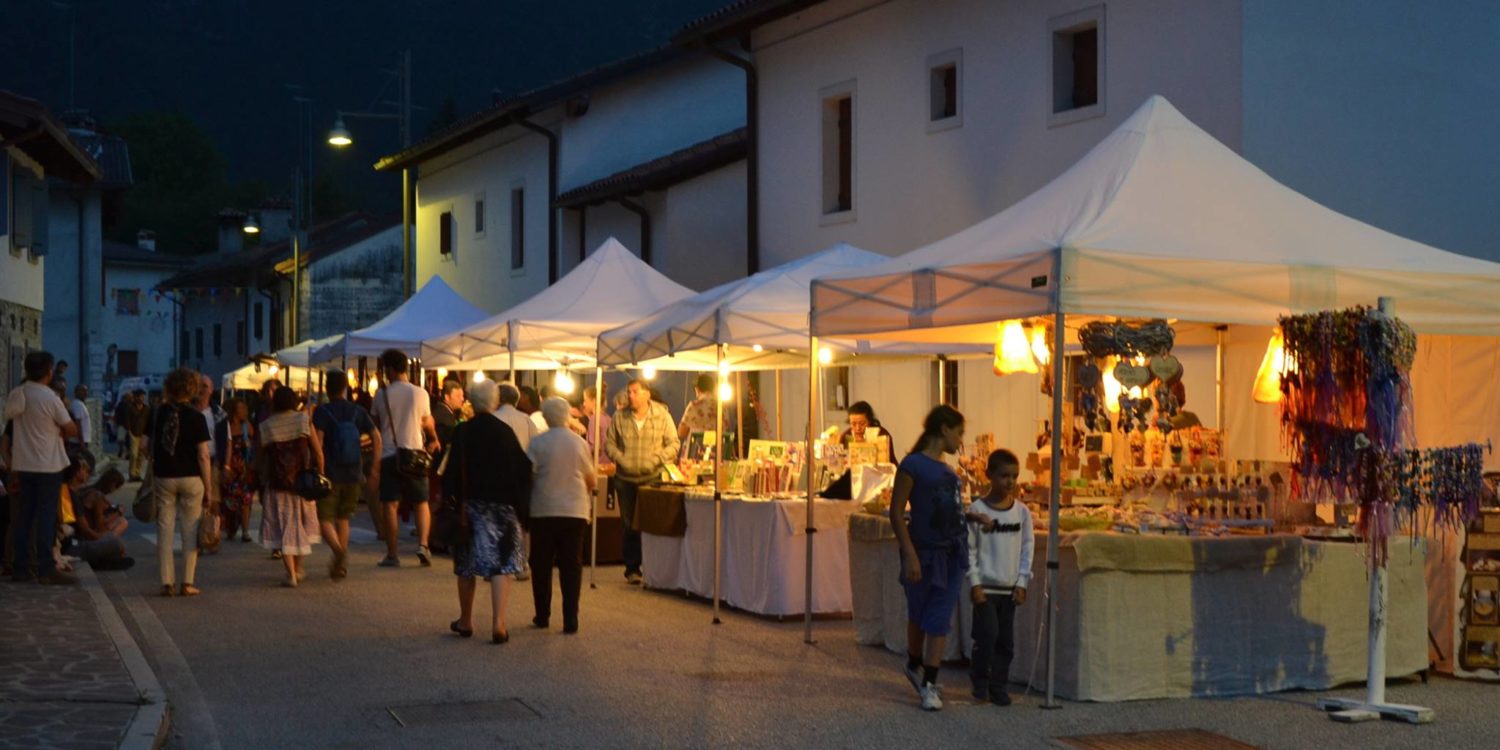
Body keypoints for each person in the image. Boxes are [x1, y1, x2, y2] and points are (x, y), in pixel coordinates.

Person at [889, 404, 967, 711]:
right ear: (944, 429)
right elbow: (897, 511)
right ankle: (915, 661)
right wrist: (909, 553)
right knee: (920, 613)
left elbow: (951, 508)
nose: (961, 440)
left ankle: (930, 682)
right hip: (924, 551)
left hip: (952, 552)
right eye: (959, 432)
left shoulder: (947, 469)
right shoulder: (912, 465)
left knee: (939, 617)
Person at [442, 380, 532, 644]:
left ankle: (466, 620)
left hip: (471, 506)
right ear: (494, 401)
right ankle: (498, 624)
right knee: (502, 565)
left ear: (472, 400)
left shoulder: (463, 432)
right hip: (504, 507)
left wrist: (452, 499)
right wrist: (522, 508)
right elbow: (523, 469)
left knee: (466, 565)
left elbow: (452, 471)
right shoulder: (505, 431)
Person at [3, 351, 80, 585]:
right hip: (48, 465)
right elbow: (72, 429)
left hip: (24, 464)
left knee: (24, 517)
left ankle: (20, 567)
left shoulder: (18, 393)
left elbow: (8, 426)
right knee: (46, 517)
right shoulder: (49, 398)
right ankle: (46, 567)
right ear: (48, 371)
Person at [965, 449, 1033, 706]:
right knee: (987, 635)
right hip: (986, 586)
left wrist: (1022, 582)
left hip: (1009, 587)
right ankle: (980, 681)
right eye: (1004, 475)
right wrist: (974, 582)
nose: (1010, 482)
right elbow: (970, 548)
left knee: (1005, 641)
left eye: (1014, 476)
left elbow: (1027, 547)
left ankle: (999, 686)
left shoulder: (1022, 512)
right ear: (989, 475)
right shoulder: (977, 509)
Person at [528, 397, 594, 634]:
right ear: (567, 416)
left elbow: (530, 476)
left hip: (543, 509)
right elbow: (591, 479)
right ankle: (570, 619)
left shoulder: (537, 443)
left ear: (545, 416)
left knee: (541, 564)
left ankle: (542, 614)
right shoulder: (578, 443)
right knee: (571, 566)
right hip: (574, 511)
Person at [604, 378, 679, 585]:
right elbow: (609, 444)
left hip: (652, 478)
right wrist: (620, 458)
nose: (630, 396)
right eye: (629, 392)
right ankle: (632, 568)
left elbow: (673, 443)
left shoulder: (662, 416)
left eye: (635, 392)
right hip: (625, 479)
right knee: (629, 524)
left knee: (652, 523)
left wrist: (657, 459)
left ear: (647, 394)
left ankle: (654, 568)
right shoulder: (620, 417)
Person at [147, 368, 213, 597]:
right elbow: (203, 455)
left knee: (165, 529)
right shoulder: (197, 416)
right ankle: (187, 582)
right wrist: (210, 488)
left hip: (164, 476)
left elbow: (147, 447)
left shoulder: (156, 414)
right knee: (190, 529)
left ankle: (167, 583)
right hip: (192, 478)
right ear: (192, 388)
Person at [369, 349, 438, 568]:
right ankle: (424, 545)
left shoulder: (381, 395)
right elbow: (428, 422)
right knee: (421, 502)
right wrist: (434, 439)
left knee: (390, 504)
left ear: (389, 369)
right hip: (416, 453)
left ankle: (392, 554)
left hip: (390, 454)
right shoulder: (421, 393)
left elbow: (375, 424)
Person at [312, 370, 379, 579]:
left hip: (331, 473)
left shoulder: (322, 412)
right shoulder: (357, 411)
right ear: (345, 388)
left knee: (324, 518)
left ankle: (339, 553)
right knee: (343, 518)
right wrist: (374, 465)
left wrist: (318, 469)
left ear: (326, 388)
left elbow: (319, 444)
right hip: (354, 472)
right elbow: (376, 436)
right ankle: (340, 565)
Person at [258, 386, 324, 586]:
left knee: (284, 527)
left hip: (278, 484)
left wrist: (261, 481)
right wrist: (320, 475)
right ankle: (298, 568)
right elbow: (318, 453)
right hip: (303, 483)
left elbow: (262, 458)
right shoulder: (304, 420)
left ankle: (291, 574)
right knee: (301, 526)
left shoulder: (266, 425)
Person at [65, 463, 134, 570]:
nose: (88, 474)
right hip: (77, 543)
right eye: (85, 470)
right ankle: (102, 557)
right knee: (116, 543)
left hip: (79, 539)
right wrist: (103, 538)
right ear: (77, 473)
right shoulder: (95, 495)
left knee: (115, 542)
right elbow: (89, 529)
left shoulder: (79, 492)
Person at [215, 398, 257, 542]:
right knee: (229, 501)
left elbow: (253, 446)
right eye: (241, 409)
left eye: (246, 409)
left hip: (244, 469)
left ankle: (245, 531)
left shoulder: (248, 427)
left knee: (246, 500)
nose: (245, 412)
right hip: (229, 469)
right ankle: (231, 528)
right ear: (234, 411)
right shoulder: (223, 427)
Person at [678, 373, 736, 442]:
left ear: (697, 389)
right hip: (718, 449)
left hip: (697, 449)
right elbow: (725, 428)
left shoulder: (694, 406)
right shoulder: (722, 407)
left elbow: (681, 433)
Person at [125, 390, 150, 481]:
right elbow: (127, 420)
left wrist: (147, 434)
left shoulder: (146, 408)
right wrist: (129, 431)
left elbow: (148, 421)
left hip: (143, 434)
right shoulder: (130, 408)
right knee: (133, 454)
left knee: (140, 455)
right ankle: (132, 474)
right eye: (140, 397)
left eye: (143, 397)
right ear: (135, 397)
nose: (142, 399)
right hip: (134, 434)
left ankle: (137, 473)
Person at [69, 384, 92, 452]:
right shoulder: (77, 404)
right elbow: (78, 424)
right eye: (83, 391)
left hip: (82, 440)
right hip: (78, 442)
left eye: (86, 391)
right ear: (76, 392)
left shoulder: (80, 404)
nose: (85, 393)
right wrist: (81, 442)